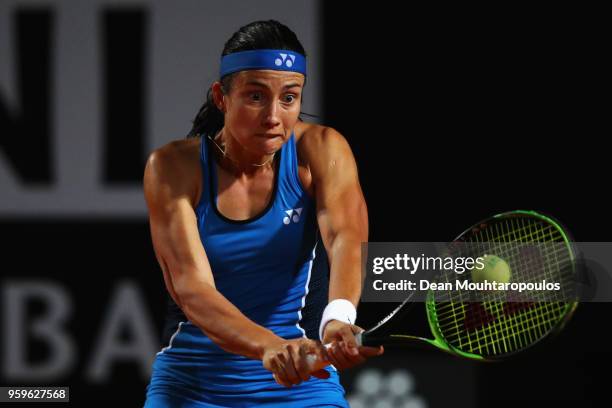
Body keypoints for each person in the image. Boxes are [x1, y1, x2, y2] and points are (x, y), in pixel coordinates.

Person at [143, 20, 383, 407]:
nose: (274, 115)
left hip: (304, 381)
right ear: (222, 97)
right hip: (192, 385)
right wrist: (269, 347)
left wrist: (336, 317)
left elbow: (345, 239)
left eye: (289, 98)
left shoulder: (321, 149)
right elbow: (192, 288)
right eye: (256, 97)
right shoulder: (172, 167)